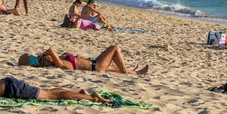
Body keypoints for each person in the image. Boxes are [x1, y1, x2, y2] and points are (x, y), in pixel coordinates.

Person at [19, 45, 149, 75]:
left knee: (115, 69)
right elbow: (50, 50)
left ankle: (135, 72)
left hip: (93, 63)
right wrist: (42, 56)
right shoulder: (60, 64)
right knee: (115, 48)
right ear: (48, 60)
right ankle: (127, 71)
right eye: (46, 58)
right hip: (96, 67)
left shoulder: (60, 59)